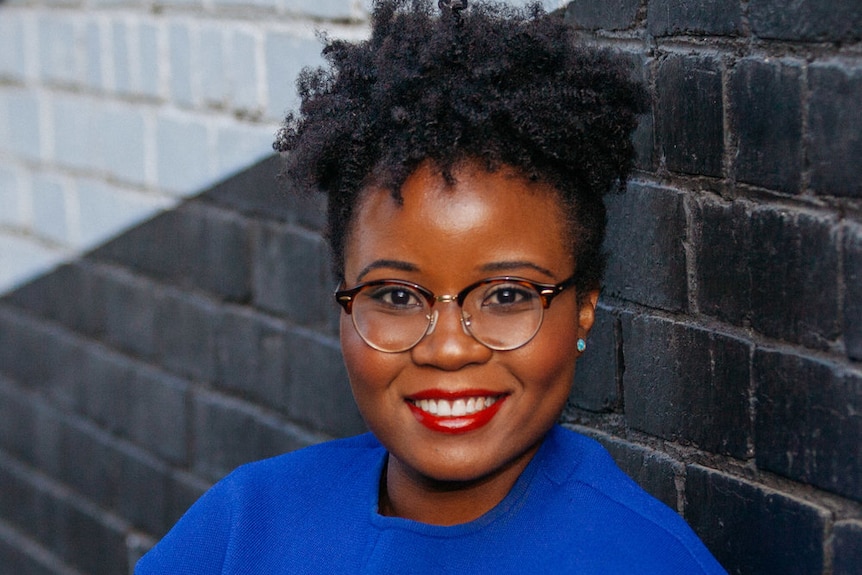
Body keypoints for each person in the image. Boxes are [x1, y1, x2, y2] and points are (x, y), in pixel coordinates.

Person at [136, 0, 727, 572]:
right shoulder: (245, 527)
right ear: (342, 302)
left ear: (584, 310)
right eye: (396, 296)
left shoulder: (643, 560)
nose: (447, 349)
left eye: (506, 296)